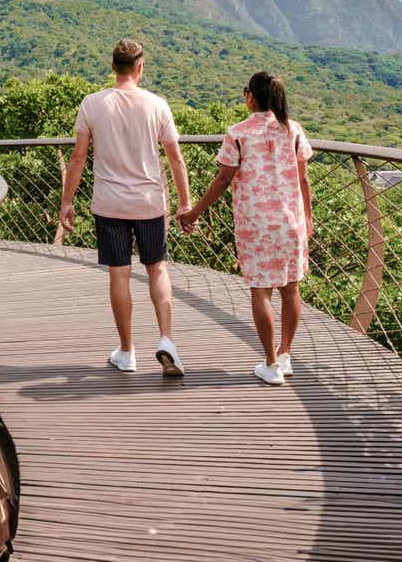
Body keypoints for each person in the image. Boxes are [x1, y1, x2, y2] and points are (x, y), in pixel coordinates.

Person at [60, 39, 192, 376]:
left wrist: (67, 200)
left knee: (119, 274)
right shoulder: (157, 105)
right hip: (149, 202)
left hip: (110, 204)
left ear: (113, 67)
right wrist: (185, 202)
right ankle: (166, 339)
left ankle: (127, 350)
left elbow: (78, 158)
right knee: (157, 269)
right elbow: (175, 158)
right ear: (140, 67)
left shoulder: (92, 104)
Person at [180, 72, 313, 385]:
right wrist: (308, 218)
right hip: (290, 222)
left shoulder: (238, 133)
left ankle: (270, 364)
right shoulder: (293, 130)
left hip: (256, 225)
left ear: (250, 96)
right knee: (291, 288)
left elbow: (224, 179)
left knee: (261, 290)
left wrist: (194, 212)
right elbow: (303, 177)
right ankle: (285, 354)